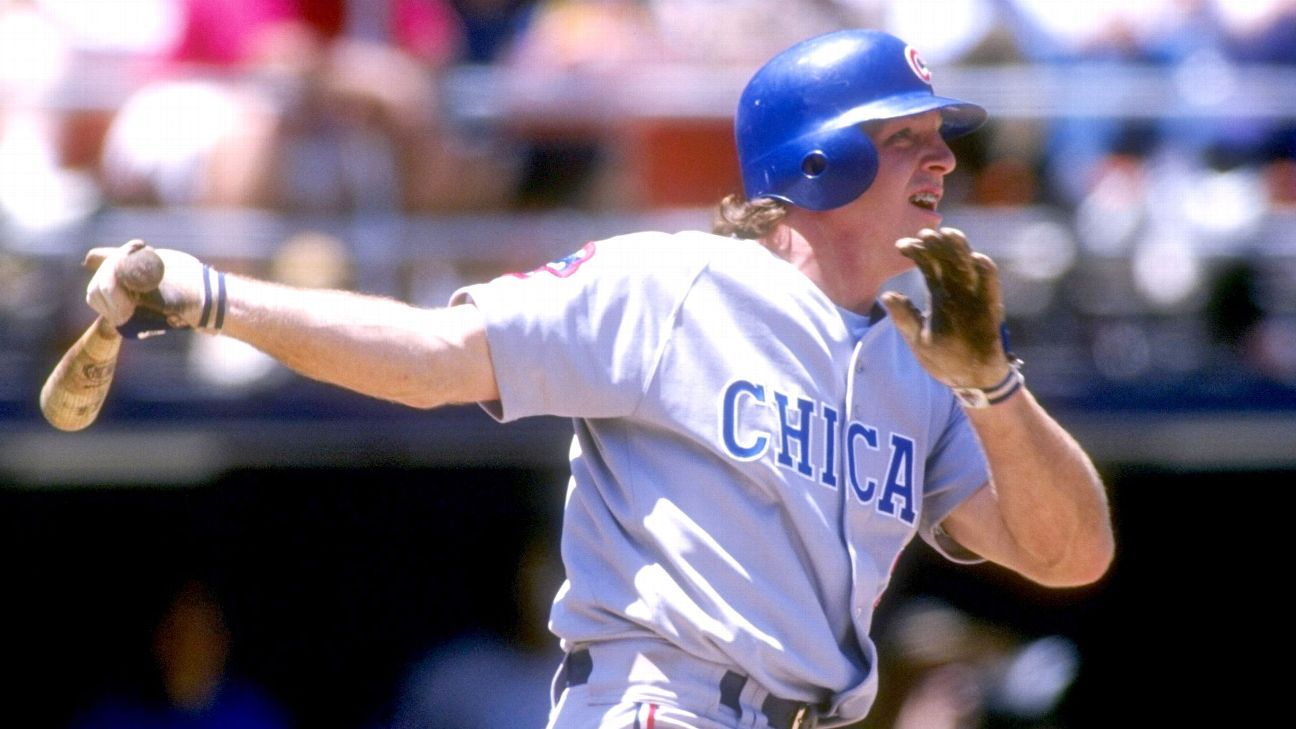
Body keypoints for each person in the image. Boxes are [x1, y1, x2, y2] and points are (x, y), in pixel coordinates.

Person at [82, 29, 1114, 729]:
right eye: (907, 141)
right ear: (818, 164)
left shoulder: (928, 356)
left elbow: (1068, 557)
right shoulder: (668, 282)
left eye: (939, 142)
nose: (941, 165)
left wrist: (993, 386)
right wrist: (220, 296)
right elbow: (432, 357)